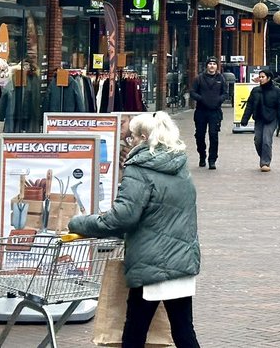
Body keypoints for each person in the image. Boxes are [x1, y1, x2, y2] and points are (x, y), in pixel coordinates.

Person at [68, 111, 201, 348]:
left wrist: (79, 223)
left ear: (141, 137)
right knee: (183, 331)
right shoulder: (179, 167)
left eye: (130, 137)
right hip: (181, 260)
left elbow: (122, 218)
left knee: (134, 332)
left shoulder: (139, 170)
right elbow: (157, 214)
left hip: (149, 264)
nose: (128, 142)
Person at [239, 68, 280, 171]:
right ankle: (263, 156)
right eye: (259, 77)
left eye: (263, 77)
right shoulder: (256, 91)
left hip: (271, 119)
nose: (260, 79)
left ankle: (265, 163)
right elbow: (249, 105)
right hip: (259, 118)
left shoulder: (277, 91)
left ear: (268, 78)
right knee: (258, 140)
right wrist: (245, 119)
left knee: (266, 140)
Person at [189, 58, 226, 169]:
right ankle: (202, 155)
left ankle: (212, 160)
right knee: (200, 135)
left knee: (213, 135)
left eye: (214, 64)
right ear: (206, 66)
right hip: (201, 111)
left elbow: (225, 93)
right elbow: (192, 92)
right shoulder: (199, 78)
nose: (212, 66)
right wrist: (201, 99)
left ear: (217, 66)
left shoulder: (221, 78)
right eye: (210, 64)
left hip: (215, 112)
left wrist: (219, 100)